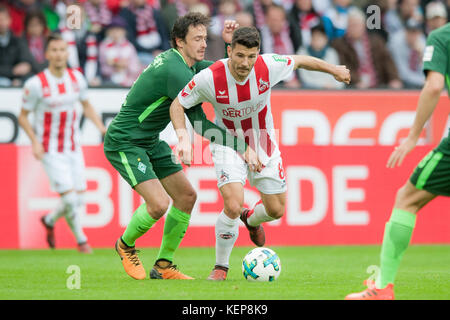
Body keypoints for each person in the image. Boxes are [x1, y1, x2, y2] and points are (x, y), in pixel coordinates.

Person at [169, 26, 350, 281]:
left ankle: (251, 219)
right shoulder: (210, 77)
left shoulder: (269, 65)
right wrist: (182, 138)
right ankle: (221, 266)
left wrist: (335, 70)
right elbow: (178, 103)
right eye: (240, 55)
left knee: (276, 210)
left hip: (263, 142)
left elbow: (300, 61)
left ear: (258, 54)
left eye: (251, 56)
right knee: (232, 203)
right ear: (229, 51)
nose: (245, 63)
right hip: (227, 142)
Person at [104, 13, 261, 281]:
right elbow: (199, 123)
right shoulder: (175, 70)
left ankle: (163, 265)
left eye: (204, 38)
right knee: (158, 204)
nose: (202, 44)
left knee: (186, 197)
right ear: (179, 42)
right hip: (125, 141)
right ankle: (125, 245)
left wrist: (231, 49)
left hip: (150, 140)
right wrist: (242, 147)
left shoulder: (186, 64)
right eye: (197, 39)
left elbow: (221, 70)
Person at [345, 22, 450, 300]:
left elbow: (434, 86)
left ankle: (383, 288)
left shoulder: (443, 37)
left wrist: (414, 136)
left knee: (406, 198)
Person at [18, 33, 107, 254]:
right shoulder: (35, 84)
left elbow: (86, 105)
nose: (58, 54)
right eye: (54, 50)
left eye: (62, 50)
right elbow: (22, 116)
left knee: (77, 199)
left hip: (73, 146)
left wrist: (101, 128)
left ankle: (49, 220)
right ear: (47, 54)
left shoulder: (76, 79)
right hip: (49, 149)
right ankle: (82, 241)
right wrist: (35, 142)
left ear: (68, 53)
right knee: (69, 198)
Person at [0, 4, 34, 87]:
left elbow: (27, 62)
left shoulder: (17, 40)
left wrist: (19, 77)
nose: (1, 23)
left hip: (16, 80)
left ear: (9, 20)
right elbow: (15, 70)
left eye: (3, 19)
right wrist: (12, 71)